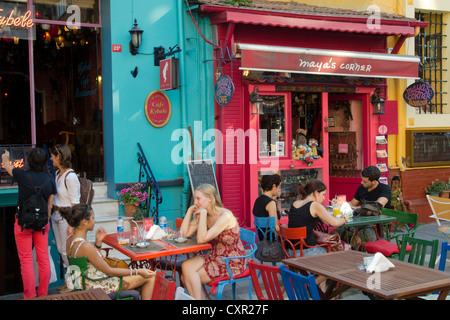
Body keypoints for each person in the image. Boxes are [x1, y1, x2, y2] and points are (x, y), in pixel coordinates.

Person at [60, 204, 156, 299]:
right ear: (85, 221)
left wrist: (98, 243)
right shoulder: (85, 246)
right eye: (93, 218)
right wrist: (138, 271)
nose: (94, 221)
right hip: (99, 285)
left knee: (138, 282)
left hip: (87, 283)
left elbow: (90, 261)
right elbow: (109, 271)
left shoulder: (70, 240)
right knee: (149, 277)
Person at [2, 148, 56, 299]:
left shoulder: (22, 175)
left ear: (29, 161)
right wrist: (45, 222)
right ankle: (43, 294)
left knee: (26, 261)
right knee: (43, 258)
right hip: (42, 224)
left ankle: (29, 296)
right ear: (45, 162)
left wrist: (6, 156)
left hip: (23, 223)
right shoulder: (50, 180)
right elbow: (50, 206)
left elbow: (6, 166)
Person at [180, 184, 245, 300]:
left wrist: (203, 214)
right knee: (185, 266)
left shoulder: (225, 215)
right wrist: (189, 211)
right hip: (215, 256)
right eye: (195, 199)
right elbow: (184, 234)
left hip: (231, 261)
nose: (195, 202)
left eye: (198, 199)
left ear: (210, 198)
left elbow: (201, 239)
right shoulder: (203, 213)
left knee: (186, 277)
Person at [288, 179, 349, 256]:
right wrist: (345, 218)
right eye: (323, 194)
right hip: (308, 251)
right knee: (338, 250)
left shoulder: (295, 203)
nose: (324, 198)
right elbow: (335, 223)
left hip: (290, 251)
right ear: (316, 193)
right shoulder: (315, 205)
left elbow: (325, 221)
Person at [50, 144, 80, 270]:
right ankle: (69, 282)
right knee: (60, 249)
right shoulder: (58, 174)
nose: (51, 159)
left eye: (52, 156)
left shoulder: (70, 177)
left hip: (66, 218)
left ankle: (73, 283)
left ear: (59, 157)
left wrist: (71, 224)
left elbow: (75, 203)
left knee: (66, 251)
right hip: (56, 215)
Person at [347, 165, 391, 240]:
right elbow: (352, 204)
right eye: (362, 180)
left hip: (377, 225)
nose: (361, 182)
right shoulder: (362, 188)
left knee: (359, 238)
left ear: (374, 181)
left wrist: (358, 208)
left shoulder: (384, 189)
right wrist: (340, 204)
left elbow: (378, 205)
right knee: (337, 233)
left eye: (365, 181)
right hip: (360, 222)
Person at [253, 173, 281, 241]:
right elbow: (275, 227)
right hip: (271, 240)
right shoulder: (271, 203)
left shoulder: (258, 200)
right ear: (274, 186)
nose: (278, 190)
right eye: (279, 187)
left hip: (261, 239)